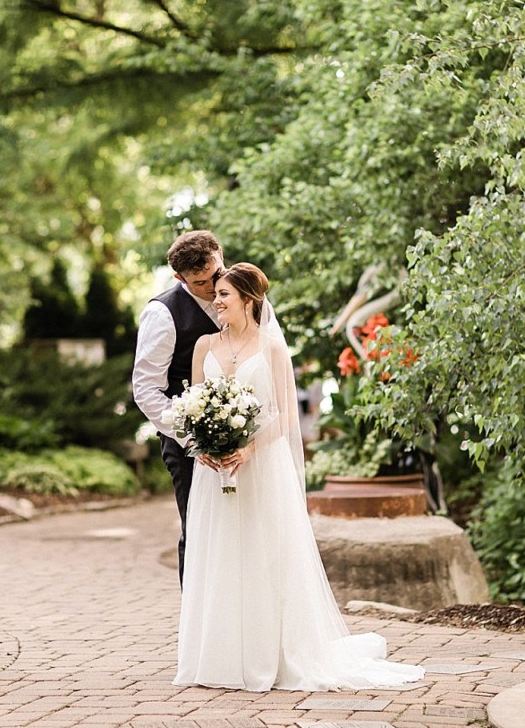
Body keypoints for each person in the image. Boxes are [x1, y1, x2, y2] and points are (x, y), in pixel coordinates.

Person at [173, 263, 425, 691]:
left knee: (261, 554)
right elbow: (194, 404)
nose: (215, 302)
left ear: (249, 300)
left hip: (261, 467)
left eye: (224, 295)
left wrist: (248, 447)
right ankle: (217, 657)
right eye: (215, 294)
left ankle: (267, 655)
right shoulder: (203, 346)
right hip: (214, 473)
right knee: (218, 554)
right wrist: (205, 449)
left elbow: (286, 415)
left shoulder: (272, 348)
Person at [132, 231, 226, 587]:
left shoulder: (246, 297)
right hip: (188, 444)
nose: (212, 286)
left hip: (245, 438)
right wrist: (193, 434)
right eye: (200, 282)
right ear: (179, 278)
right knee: (199, 530)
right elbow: (146, 388)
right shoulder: (163, 313)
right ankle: (198, 627)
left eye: (216, 274)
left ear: (221, 257)